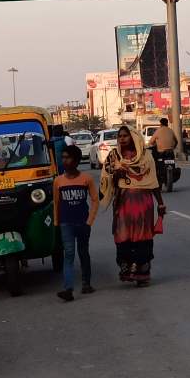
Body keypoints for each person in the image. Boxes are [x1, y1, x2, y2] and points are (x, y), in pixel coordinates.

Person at [100, 126, 165, 286]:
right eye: (120, 136)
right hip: (123, 202)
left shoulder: (146, 156)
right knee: (123, 235)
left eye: (125, 136)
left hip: (143, 203)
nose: (122, 139)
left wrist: (161, 203)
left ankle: (142, 273)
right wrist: (116, 175)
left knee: (143, 236)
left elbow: (153, 181)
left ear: (134, 137)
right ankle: (127, 268)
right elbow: (106, 178)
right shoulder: (114, 156)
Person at [52, 145, 98, 302]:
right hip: (66, 223)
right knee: (69, 254)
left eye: (68, 157)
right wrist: (57, 222)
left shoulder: (87, 179)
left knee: (83, 252)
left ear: (77, 160)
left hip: (83, 223)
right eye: (63, 157)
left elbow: (94, 200)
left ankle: (86, 283)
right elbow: (56, 203)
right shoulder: (58, 181)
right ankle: (68, 289)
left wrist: (89, 221)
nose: (65, 160)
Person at [148, 118, 178, 185]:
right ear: (167, 123)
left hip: (161, 153)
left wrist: (155, 144)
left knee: (155, 163)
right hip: (170, 152)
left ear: (160, 124)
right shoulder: (171, 130)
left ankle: (157, 177)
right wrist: (173, 147)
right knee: (173, 162)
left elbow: (151, 142)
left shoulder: (158, 131)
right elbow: (176, 141)